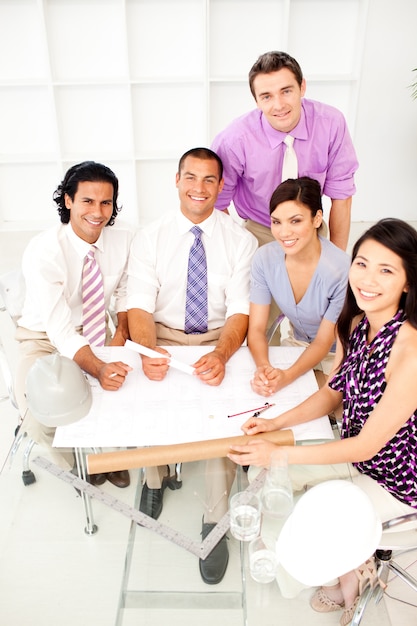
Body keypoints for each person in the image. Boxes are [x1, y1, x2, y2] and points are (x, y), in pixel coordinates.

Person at [228, 218, 417, 625]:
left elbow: (368, 445)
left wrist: (280, 452)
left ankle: (352, 571)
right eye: (362, 264)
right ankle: (342, 564)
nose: (367, 279)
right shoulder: (357, 322)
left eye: (386, 270)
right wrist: (275, 424)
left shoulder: (411, 350)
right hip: (359, 455)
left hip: (399, 479)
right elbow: (334, 392)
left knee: (300, 500)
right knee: (263, 477)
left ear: (407, 282)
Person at [127, 147, 258, 584]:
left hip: (217, 339)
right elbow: (140, 308)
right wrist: (149, 352)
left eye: (209, 180)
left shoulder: (241, 240)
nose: (199, 188)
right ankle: (154, 479)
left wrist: (221, 354)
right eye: (191, 177)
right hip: (162, 335)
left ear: (221, 186)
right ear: (177, 180)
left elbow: (240, 311)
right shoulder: (150, 236)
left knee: (220, 423)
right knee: (146, 402)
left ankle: (214, 522)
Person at [15, 161, 133, 488]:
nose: (98, 212)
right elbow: (60, 331)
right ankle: (79, 465)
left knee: (123, 394)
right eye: (87, 201)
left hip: (96, 329)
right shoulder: (45, 251)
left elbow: (123, 291)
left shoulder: (122, 238)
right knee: (40, 418)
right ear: (68, 201)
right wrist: (97, 368)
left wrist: (122, 331)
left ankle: (110, 455)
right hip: (44, 338)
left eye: (105, 202)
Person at [212, 50, 359, 252]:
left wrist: (337, 260)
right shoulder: (234, 140)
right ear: (256, 101)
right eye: (266, 96)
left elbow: (342, 196)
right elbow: (217, 202)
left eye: (286, 91)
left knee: (318, 281)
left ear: (302, 87)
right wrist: (236, 251)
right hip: (260, 230)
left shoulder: (331, 124)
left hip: (310, 227)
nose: (279, 105)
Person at [248, 176, 350, 394]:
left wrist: (288, 376)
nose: (284, 233)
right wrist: (264, 369)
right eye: (277, 222)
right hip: (296, 346)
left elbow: (324, 342)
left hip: (342, 354)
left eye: (295, 221)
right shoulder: (264, 259)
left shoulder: (341, 270)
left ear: (316, 219)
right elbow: (256, 328)